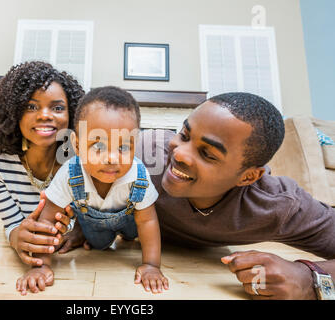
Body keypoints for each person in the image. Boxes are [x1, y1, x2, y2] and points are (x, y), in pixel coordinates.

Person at [59, 92, 335, 300]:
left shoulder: (280, 206)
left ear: (247, 177)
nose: (178, 153)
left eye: (207, 154)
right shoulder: (139, 154)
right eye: (184, 134)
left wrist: (310, 280)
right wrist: (85, 222)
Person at [16, 86, 169, 295]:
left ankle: (126, 236)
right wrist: (40, 266)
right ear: (77, 146)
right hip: (95, 225)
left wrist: (151, 265)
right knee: (99, 244)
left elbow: (148, 221)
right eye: (98, 146)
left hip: (132, 219)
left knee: (135, 231)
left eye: (123, 147)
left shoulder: (138, 174)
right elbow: (47, 220)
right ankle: (86, 234)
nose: (112, 158)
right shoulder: (70, 174)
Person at [0, 61, 85, 266]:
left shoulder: (81, 160)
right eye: (31, 106)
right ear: (14, 112)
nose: (45, 115)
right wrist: (19, 238)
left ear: (71, 114)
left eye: (57, 107)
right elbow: (11, 224)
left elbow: (89, 214)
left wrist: (79, 230)